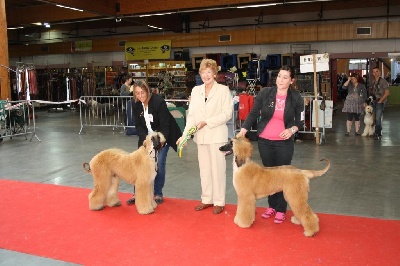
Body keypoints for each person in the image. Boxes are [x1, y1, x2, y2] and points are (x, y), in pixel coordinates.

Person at [237, 65, 304, 224]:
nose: (281, 80)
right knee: (268, 176)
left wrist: (292, 130)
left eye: (285, 77)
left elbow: (300, 121)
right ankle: (272, 206)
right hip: (265, 141)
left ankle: (281, 209)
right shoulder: (266, 93)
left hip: (284, 144)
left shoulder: (296, 97)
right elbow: (254, 113)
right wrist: (244, 129)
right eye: (279, 76)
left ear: (291, 80)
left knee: (282, 177)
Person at [176, 59, 233, 215]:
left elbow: (227, 114)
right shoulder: (195, 90)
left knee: (218, 170)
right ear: (200, 74)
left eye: (209, 72)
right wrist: (184, 136)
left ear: (214, 74)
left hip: (217, 136)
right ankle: (207, 199)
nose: (206, 75)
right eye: (203, 72)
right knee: (205, 170)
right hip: (200, 138)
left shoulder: (223, 90)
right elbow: (192, 116)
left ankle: (219, 201)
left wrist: (207, 122)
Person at [126, 80, 182, 205]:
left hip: (162, 136)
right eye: (137, 93)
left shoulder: (158, 102)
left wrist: (159, 142)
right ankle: (137, 194)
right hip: (146, 138)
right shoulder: (134, 104)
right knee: (140, 165)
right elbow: (138, 125)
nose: (140, 96)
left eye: (142, 92)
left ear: (147, 90)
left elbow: (165, 125)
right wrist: (146, 141)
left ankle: (157, 193)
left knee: (159, 164)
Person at [370, 67, 390, 140]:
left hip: (380, 101)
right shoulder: (373, 81)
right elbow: (372, 92)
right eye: (374, 72)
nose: (375, 73)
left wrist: (381, 100)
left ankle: (377, 132)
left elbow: (387, 93)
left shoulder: (383, 81)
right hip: (374, 101)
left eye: (377, 71)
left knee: (378, 118)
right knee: (375, 118)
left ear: (380, 72)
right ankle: (379, 131)